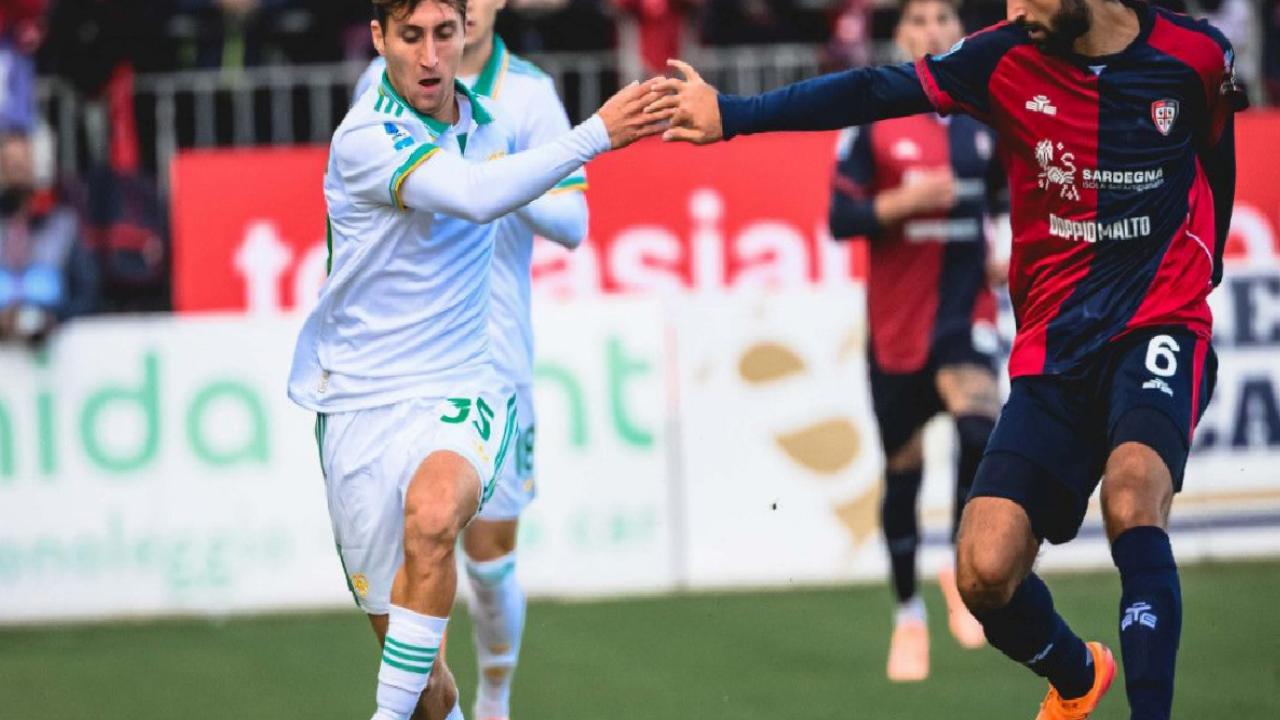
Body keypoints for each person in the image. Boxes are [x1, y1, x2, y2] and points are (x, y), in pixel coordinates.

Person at [652, 1, 1244, 718]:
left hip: (1159, 322)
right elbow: (871, 88)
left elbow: (1216, 154)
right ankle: (1076, 673)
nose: (1013, 8)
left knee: (1131, 496)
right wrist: (733, 114)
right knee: (983, 573)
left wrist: (1204, 265)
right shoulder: (1001, 57)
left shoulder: (1196, 56)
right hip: (1054, 350)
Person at [286, 2, 666, 720]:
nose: (430, 55)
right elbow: (471, 192)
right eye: (411, 37)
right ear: (380, 39)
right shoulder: (365, 131)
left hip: (468, 382)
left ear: (471, 27)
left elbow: (548, 213)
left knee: (443, 524)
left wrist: (522, 172)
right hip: (361, 402)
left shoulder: (509, 111)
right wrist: (595, 134)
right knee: (425, 686)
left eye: (444, 34)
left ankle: (492, 703)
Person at [356, 1, 590, 717]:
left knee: (488, 564)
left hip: (495, 355)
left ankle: (494, 700)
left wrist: (495, 181)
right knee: (412, 560)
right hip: (405, 360)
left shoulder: (530, 95)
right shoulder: (382, 82)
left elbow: (573, 221)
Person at [828, 0, 1002, 683]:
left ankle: (962, 564)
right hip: (898, 328)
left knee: (981, 430)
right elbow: (841, 216)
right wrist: (905, 202)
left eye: (944, 20)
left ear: (962, 33)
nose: (933, 31)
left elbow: (1010, 196)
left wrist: (1007, 247)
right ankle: (907, 612)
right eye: (920, 21)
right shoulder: (873, 118)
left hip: (966, 313)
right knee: (903, 474)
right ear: (900, 35)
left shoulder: (986, 113)